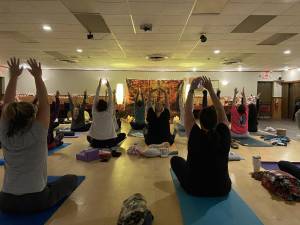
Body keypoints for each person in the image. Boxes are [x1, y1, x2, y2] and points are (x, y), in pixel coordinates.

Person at [0, 58, 78, 213]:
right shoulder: (38, 132)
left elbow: (7, 102)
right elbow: (44, 103)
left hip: (6, 201)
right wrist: (37, 76)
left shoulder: (4, 132)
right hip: (36, 200)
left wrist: (14, 77)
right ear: (32, 118)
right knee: (72, 179)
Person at [170, 76, 231, 196]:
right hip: (222, 188)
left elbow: (187, 112)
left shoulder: (194, 134)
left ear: (200, 122)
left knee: (175, 160)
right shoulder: (224, 134)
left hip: (195, 188)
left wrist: (192, 89)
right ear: (216, 121)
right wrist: (211, 90)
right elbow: (220, 111)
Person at [87, 79, 126, 148]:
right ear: (106, 106)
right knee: (123, 135)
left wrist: (99, 86)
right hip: (109, 142)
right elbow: (111, 99)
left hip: (96, 143)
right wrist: (108, 86)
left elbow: (95, 98)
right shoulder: (109, 113)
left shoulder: (94, 113)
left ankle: (100, 144)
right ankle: (107, 144)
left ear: (96, 106)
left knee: (88, 137)